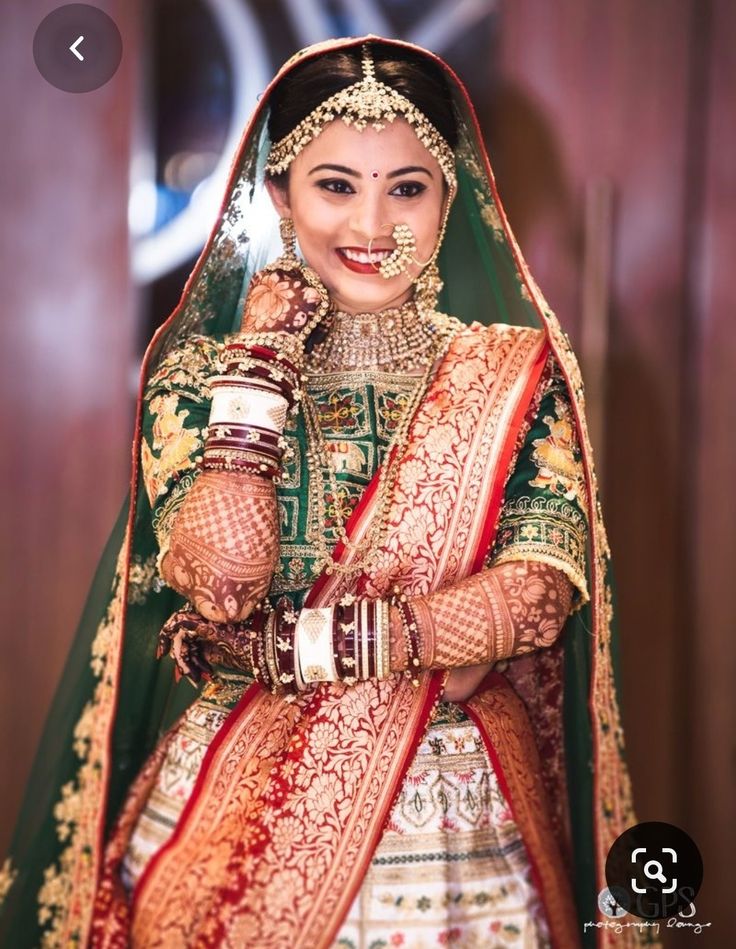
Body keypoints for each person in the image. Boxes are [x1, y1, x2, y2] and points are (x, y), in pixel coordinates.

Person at [0, 36, 655, 949]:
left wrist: (305, 644)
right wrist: (259, 368)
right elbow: (224, 584)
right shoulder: (202, 378)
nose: (374, 224)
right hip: (240, 792)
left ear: (451, 193)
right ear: (279, 197)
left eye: (408, 188)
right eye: (337, 185)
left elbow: (538, 591)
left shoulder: (510, 373)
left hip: (453, 808)